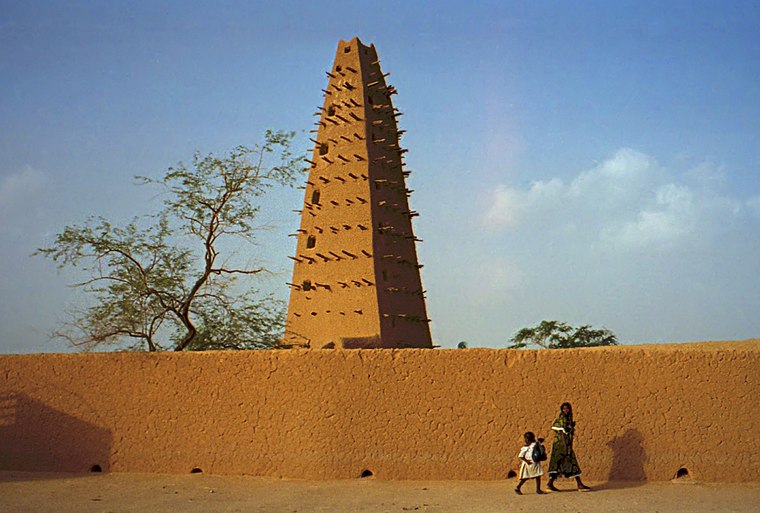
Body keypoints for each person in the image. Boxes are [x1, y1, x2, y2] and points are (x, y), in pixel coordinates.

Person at [547, 402, 591, 491]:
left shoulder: (568, 420)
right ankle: (579, 484)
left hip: (565, 446)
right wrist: (565, 447)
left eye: (567, 408)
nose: (565, 410)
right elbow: (562, 433)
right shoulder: (561, 419)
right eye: (564, 408)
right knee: (570, 463)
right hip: (561, 447)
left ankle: (550, 484)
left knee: (559, 464)